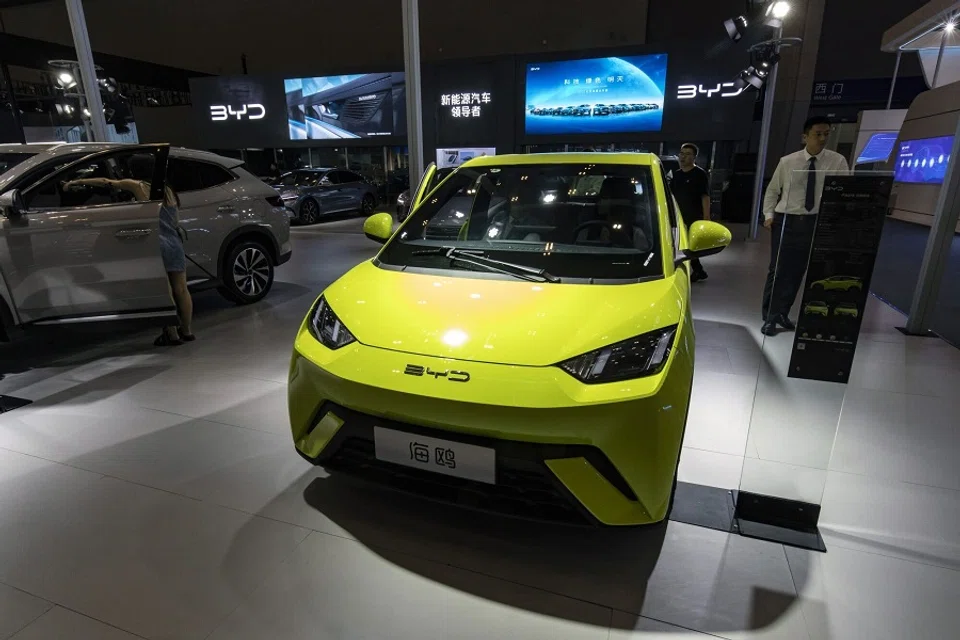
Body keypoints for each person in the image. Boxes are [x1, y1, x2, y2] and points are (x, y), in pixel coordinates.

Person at [64, 155, 195, 346]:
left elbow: (106, 182)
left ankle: (172, 334)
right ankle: (188, 331)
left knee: (163, 290)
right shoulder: (168, 190)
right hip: (174, 242)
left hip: (154, 243)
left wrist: (77, 181)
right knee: (182, 289)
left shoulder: (138, 186)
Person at [760, 116, 849, 336]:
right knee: (779, 269)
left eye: (826, 134)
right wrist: (769, 215)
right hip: (787, 220)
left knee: (799, 270)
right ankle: (770, 316)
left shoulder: (837, 162)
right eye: (817, 134)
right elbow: (773, 191)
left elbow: (843, 192)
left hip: (816, 221)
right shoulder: (788, 161)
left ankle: (783, 312)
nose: (822, 138)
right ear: (805, 136)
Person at [670, 143, 711, 282]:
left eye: (687, 154)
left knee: (689, 245)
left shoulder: (700, 174)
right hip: (678, 215)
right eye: (682, 153)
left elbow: (705, 196)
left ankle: (698, 270)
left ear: (694, 157)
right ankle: (698, 270)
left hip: (694, 215)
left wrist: (706, 217)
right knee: (680, 243)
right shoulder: (676, 175)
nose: (683, 157)